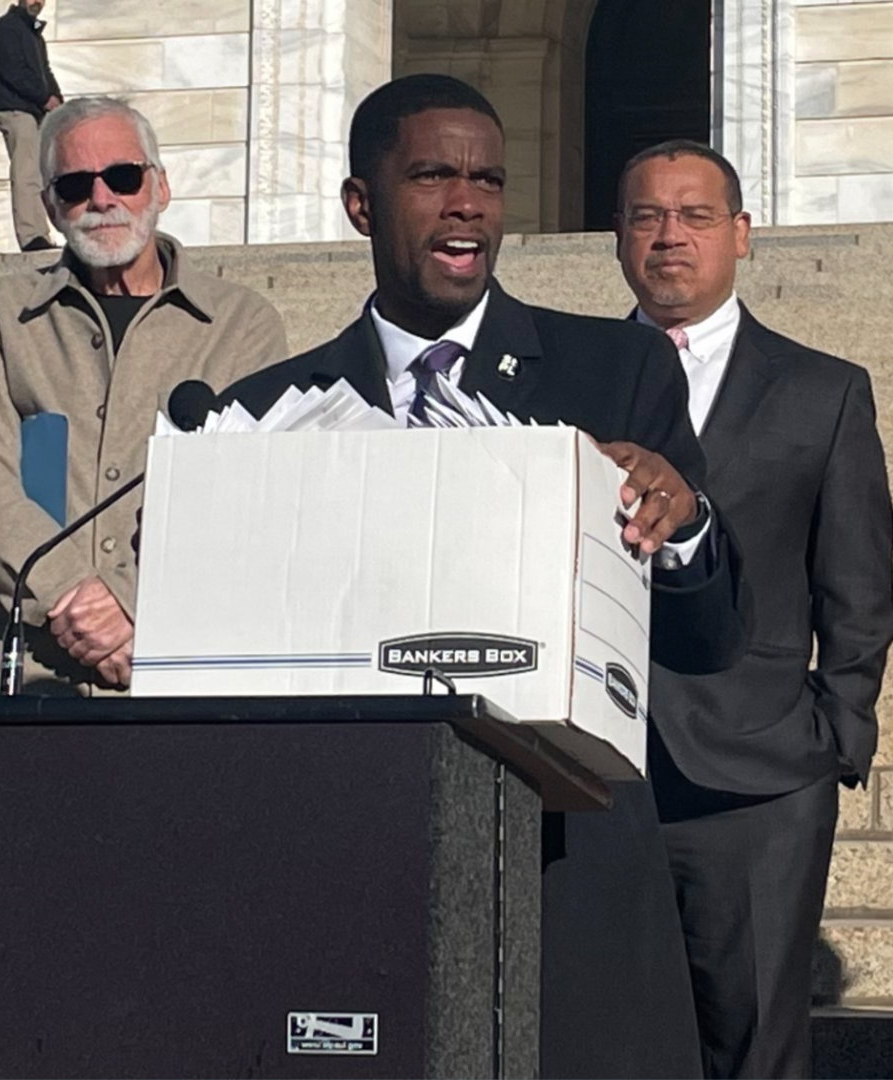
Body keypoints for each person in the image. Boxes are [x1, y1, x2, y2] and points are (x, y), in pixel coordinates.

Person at [218, 73, 748, 1079]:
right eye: (432, 175)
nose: (467, 202)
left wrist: (683, 526)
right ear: (362, 205)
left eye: (489, 179)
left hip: (566, 866)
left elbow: (712, 638)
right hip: (349, 865)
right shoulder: (271, 413)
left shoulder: (617, 372)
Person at [613, 139, 893, 1079]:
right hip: (591, 765)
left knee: (755, 1050)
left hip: (760, 778)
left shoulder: (823, 390)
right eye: (648, 216)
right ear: (620, 236)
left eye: (695, 216)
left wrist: (833, 729)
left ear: (741, 235)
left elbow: (857, 589)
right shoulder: (571, 376)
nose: (669, 238)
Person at [0, 97, 289, 695]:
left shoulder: (241, 327)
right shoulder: (0, 317)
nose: (102, 199)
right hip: (18, 676)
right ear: (51, 206)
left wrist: (131, 606)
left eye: (123, 177)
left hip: (179, 668)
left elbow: (249, 499)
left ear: (160, 187)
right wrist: (75, 600)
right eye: (76, 185)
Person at [0, 0, 65, 251]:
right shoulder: (6, 28)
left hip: (33, 111)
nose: (37, 2)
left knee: (38, 175)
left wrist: (57, 100)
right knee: (26, 174)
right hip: (16, 110)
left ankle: (40, 233)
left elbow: (45, 72)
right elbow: (14, 73)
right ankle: (31, 236)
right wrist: (45, 98)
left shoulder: (32, 33)